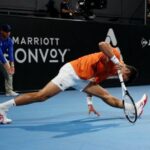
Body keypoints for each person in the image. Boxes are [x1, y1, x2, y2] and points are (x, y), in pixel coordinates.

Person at [0, 41, 148, 124]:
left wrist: (89, 104)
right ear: (127, 71)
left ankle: (132, 108)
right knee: (42, 96)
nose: (119, 77)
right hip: (72, 72)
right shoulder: (115, 55)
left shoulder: (110, 72)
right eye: (124, 77)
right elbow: (102, 44)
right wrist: (116, 61)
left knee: (106, 95)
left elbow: (93, 83)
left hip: (82, 79)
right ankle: (2, 108)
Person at [0, 24, 19, 96]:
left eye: (9, 31)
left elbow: (11, 53)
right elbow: (0, 53)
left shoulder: (10, 41)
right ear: (1, 31)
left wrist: (12, 65)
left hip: (1, 58)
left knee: (9, 71)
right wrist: (6, 64)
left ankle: (9, 91)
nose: (8, 33)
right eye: (6, 31)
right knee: (7, 65)